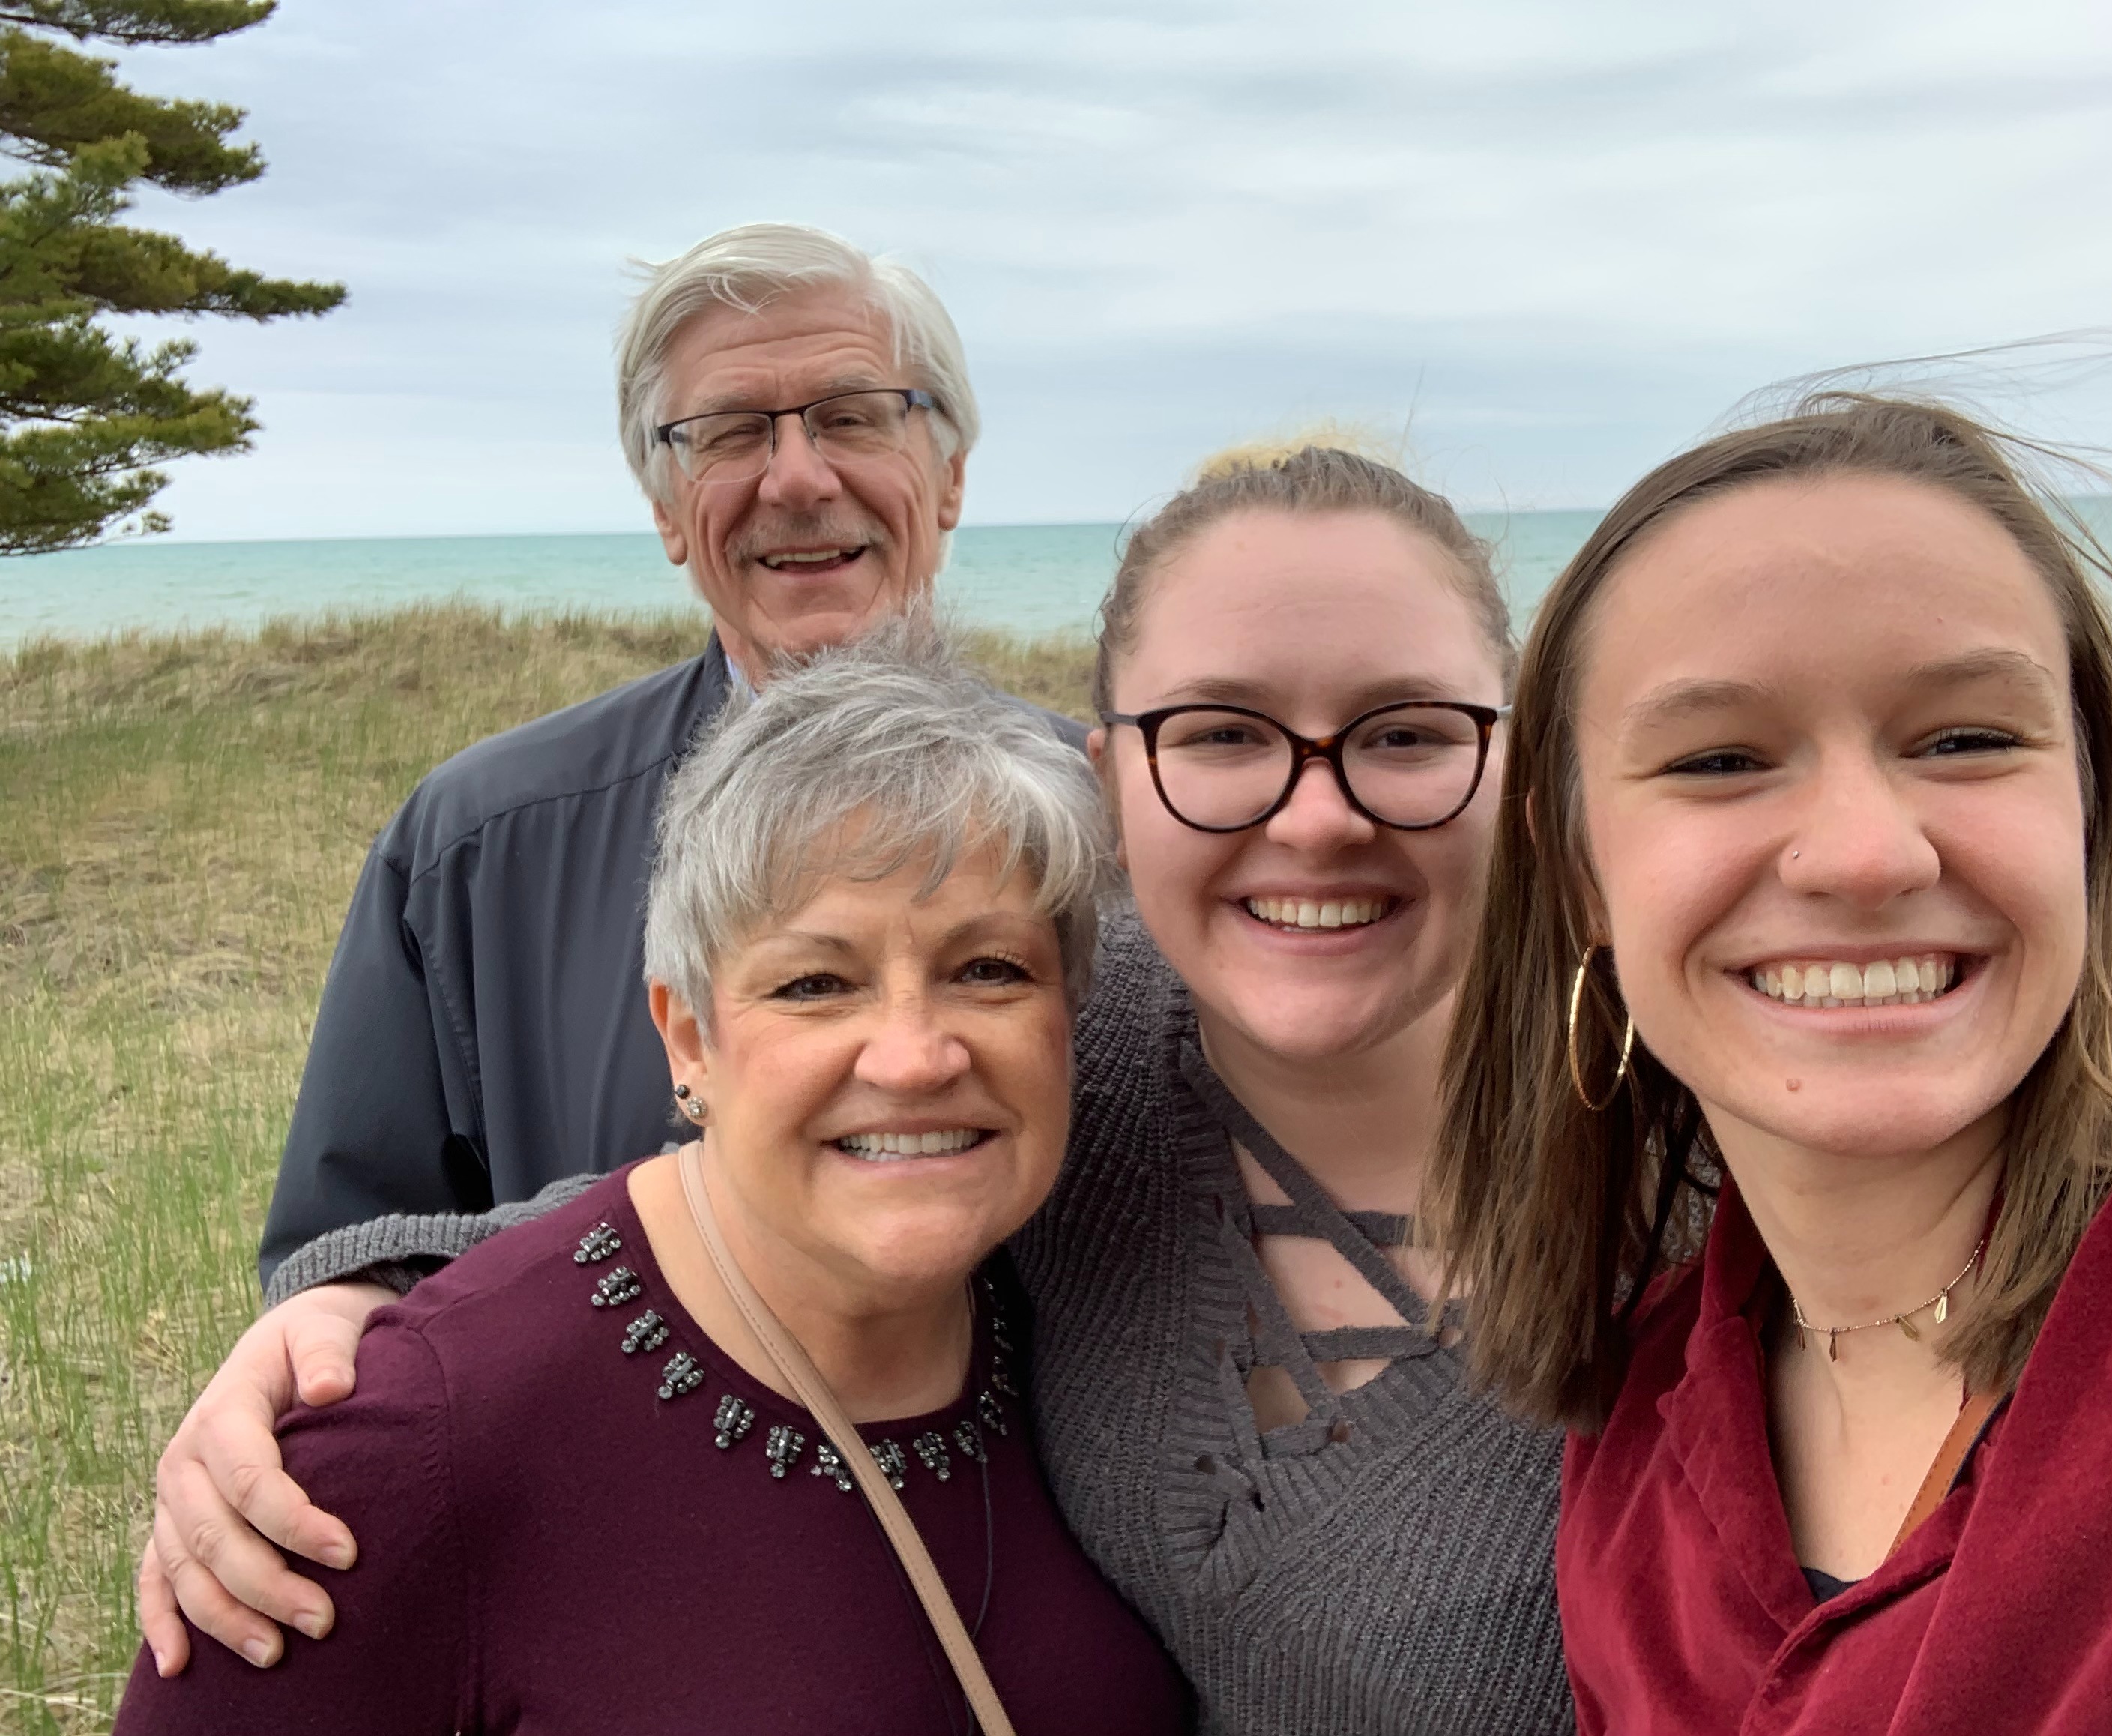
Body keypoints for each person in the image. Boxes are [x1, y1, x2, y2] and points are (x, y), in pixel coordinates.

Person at [144, 446, 1579, 1732]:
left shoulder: (1662, 1165)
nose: (1315, 818)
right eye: (1221, 733)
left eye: (1407, 733)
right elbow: (768, 1173)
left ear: (1519, 767)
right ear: (1114, 784)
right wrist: (359, 1303)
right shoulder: (1083, 1035)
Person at [142, 220, 1077, 1668]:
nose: (797, 477)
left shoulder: (1112, 834)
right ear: (665, 506)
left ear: (949, 472)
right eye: (729, 433)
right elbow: (355, 1248)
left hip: (1037, 1605)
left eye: (852, 415)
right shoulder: (478, 840)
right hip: (601, 1619)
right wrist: (314, 1349)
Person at [112, 630, 1189, 1733]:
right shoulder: (410, 1438)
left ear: (1073, 1016)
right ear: (686, 1040)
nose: (915, 1058)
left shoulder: (1093, 1308)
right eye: (817, 983)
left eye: (990, 970)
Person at [1429, 394, 2112, 1732]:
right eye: (1720, 759)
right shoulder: (1639, 1431)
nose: (1866, 855)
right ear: (1580, 877)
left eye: (1967, 740)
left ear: (2087, 807)